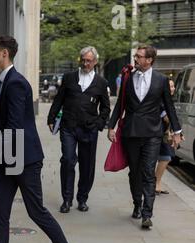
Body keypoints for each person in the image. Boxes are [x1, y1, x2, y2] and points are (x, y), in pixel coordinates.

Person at [0, 36, 78, 243]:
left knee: (36, 211)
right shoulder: (3, 81)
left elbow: (15, 126)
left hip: (24, 159)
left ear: (4, 53)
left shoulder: (16, 83)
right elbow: (4, 123)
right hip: (10, 158)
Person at [108, 45, 182, 229]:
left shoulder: (161, 80)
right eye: (136, 56)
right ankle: (137, 204)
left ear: (149, 60)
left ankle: (147, 214)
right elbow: (120, 104)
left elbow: (169, 106)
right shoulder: (127, 78)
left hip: (152, 134)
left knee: (148, 173)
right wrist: (111, 126)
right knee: (135, 172)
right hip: (131, 133)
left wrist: (177, 131)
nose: (136, 59)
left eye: (139, 56)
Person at [47, 46, 110, 214]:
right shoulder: (69, 78)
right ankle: (67, 199)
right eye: (83, 60)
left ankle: (82, 198)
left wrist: (99, 123)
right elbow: (59, 99)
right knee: (67, 160)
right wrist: (51, 118)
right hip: (68, 126)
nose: (85, 63)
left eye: (89, 60)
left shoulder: (101, 83)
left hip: (89, 129)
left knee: (87, 165)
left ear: (95, 62)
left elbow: (105, 108)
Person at [155, 79, 179, 195]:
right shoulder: (161, 101)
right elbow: (167, 118)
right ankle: (156, 183)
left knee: (164, 157)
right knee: (165, 157)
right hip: (158, 134)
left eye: (173, 86)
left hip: (164, 134)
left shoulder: (168, 100)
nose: (172, 89)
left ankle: (156, 183)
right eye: (170, 86)